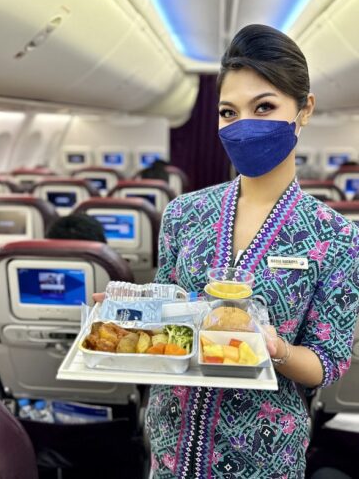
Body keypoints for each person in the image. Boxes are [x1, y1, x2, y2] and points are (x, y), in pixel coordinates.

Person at [94, 24, 359, 478]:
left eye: (264, 107)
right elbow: (170, 313)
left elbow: (329, 362)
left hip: (264, 458)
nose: (243, 127)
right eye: (228, 112)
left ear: (305, 109)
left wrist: (276, 349)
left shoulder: (335, 237)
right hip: (170, 448)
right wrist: (127, 313)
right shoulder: (184, 214)